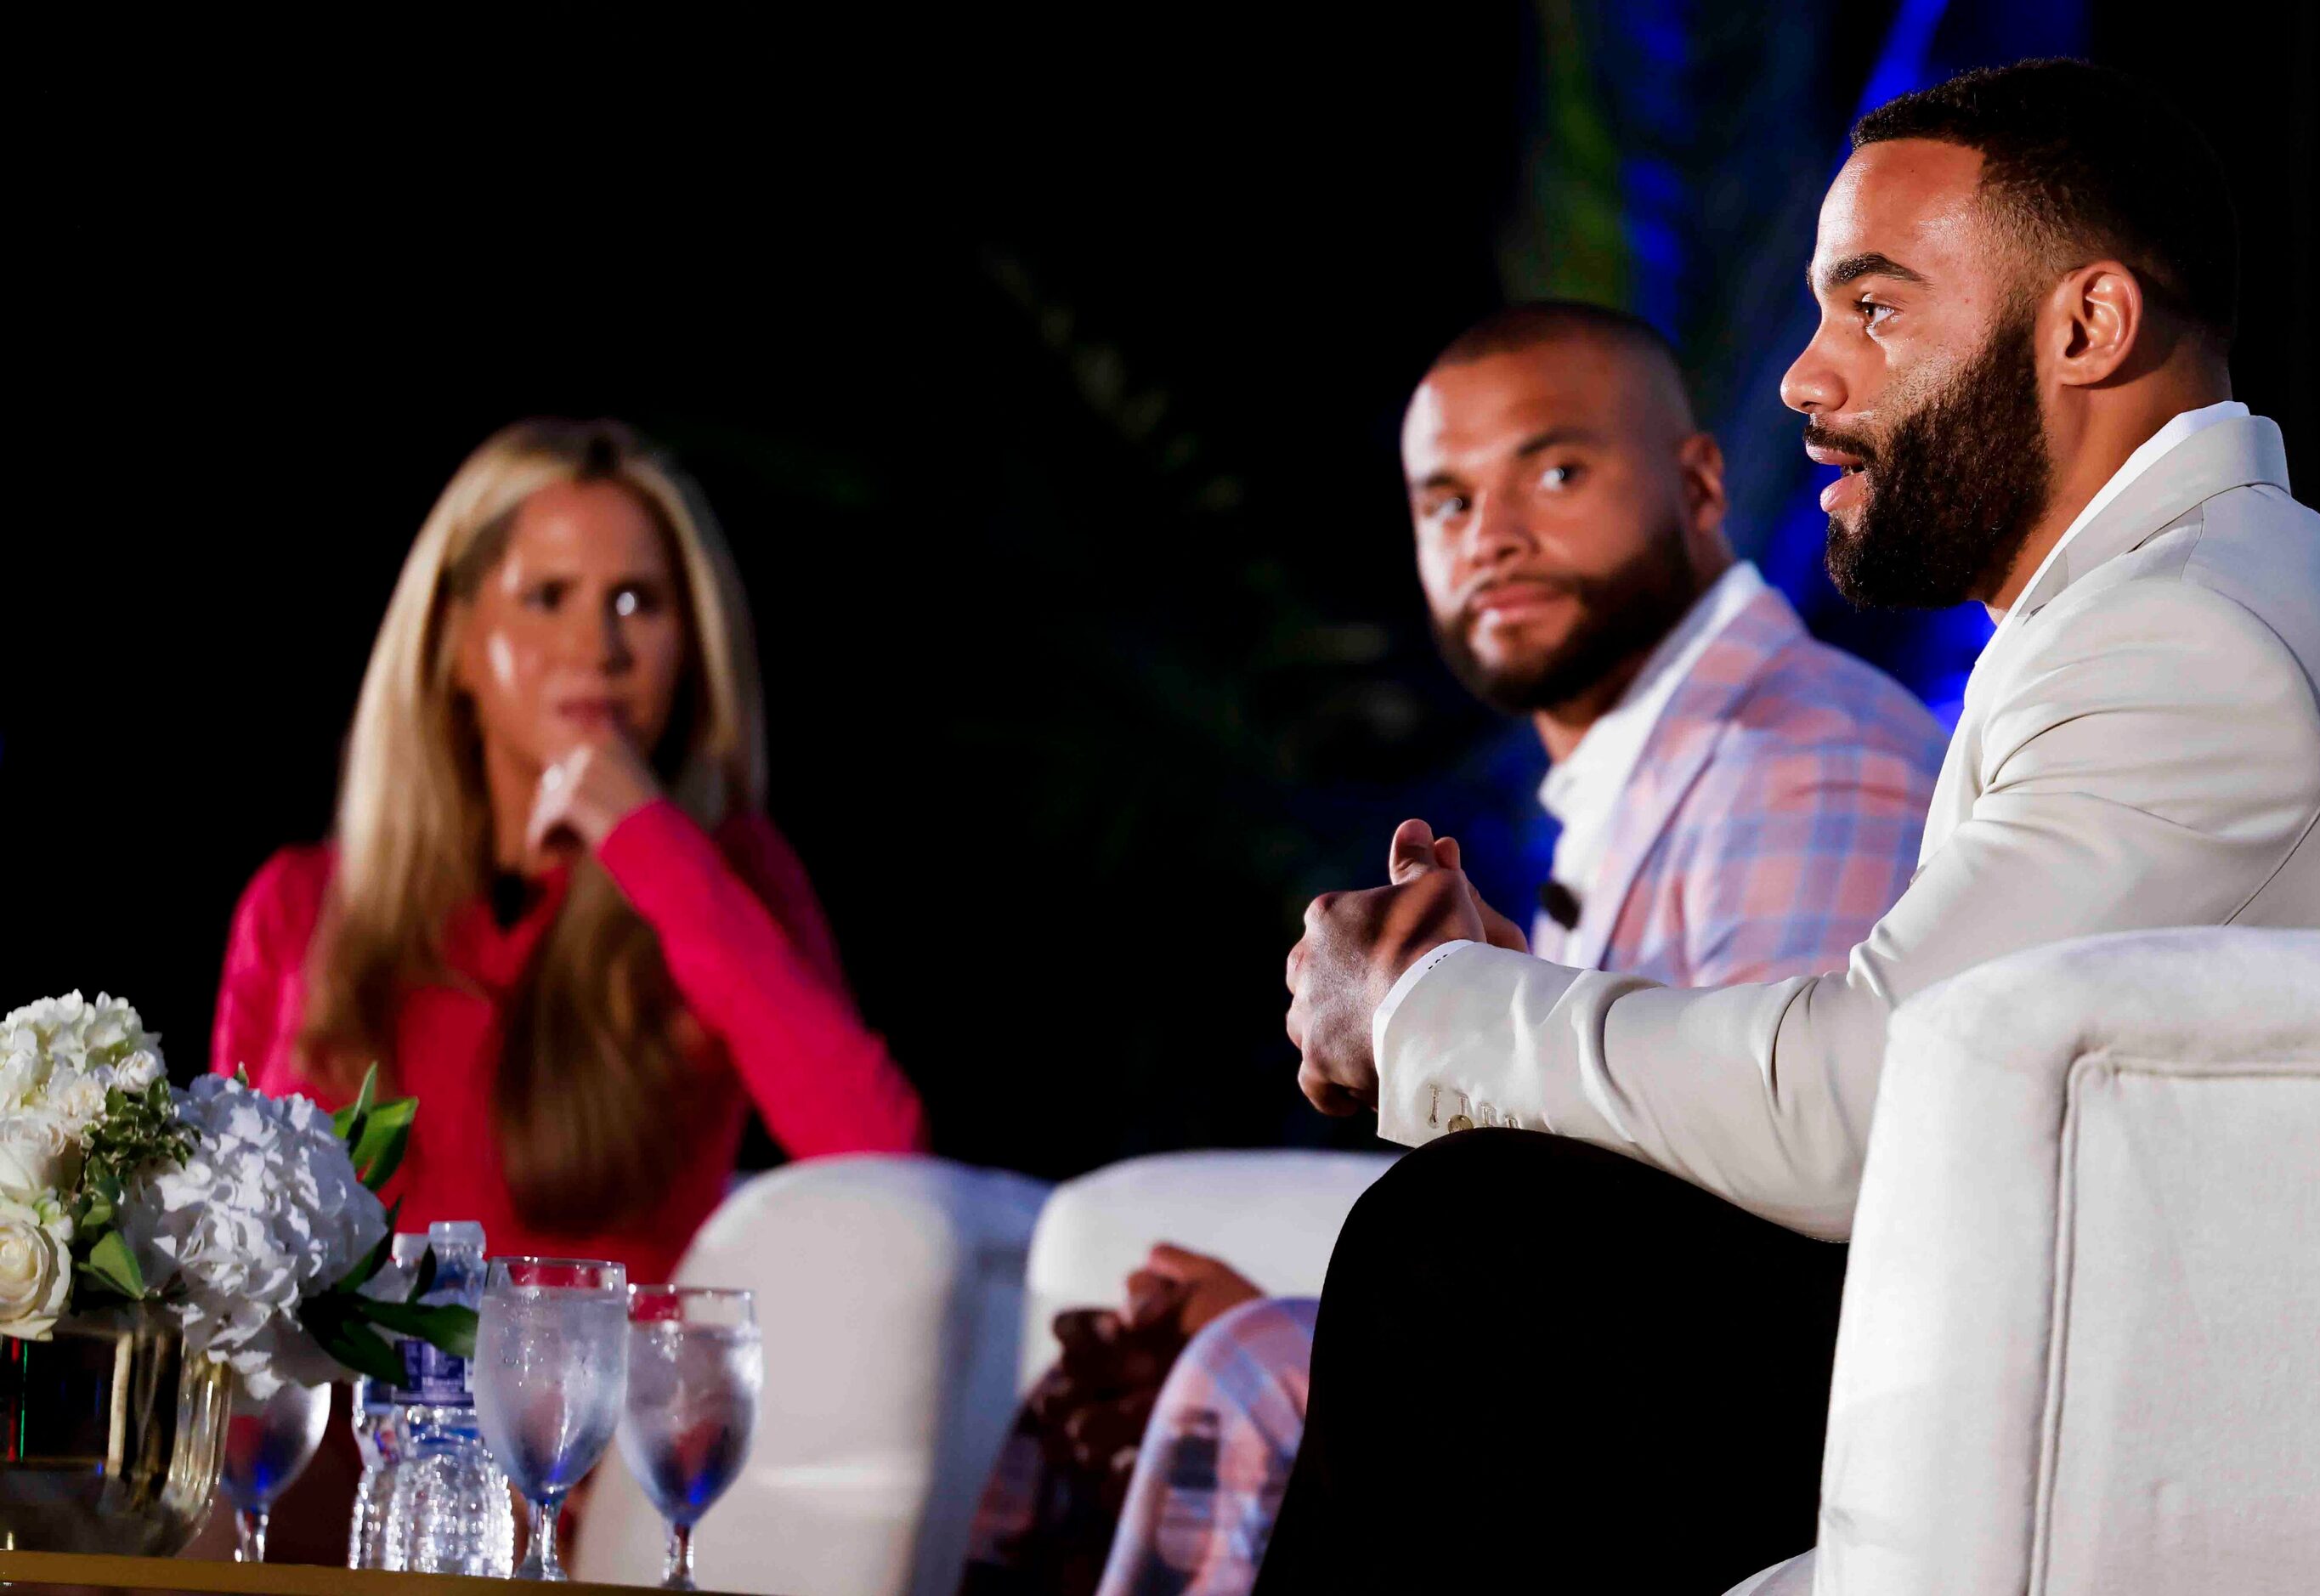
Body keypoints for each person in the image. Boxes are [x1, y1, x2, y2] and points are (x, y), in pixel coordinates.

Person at [1269, 60, 2320, 1592]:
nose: (1804, 378)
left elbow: (1871, 1109)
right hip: (2094, 1343)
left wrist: (1424, 1007)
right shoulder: (2191, 600)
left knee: (1481, 1246)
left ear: (2087, 327)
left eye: (1873, 308)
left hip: (2156, 1405)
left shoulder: (2189, 642)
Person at [964, 306, 1949, 1595]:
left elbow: (1753, 1271)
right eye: (1444, 498)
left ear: (1700, 484)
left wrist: (1304, 1345)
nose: (1489, 532)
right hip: (1654, 1388)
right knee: (1178, 1374)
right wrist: (1298, 1318)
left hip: (1788, 1438)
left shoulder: (1800, 756)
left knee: (1251, 1373)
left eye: (1555, 471)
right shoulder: (1655, 777)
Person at [211, 419, 925, 1288]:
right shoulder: (303, 901)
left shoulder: (725, 875)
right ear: (456, 641)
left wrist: (647, 842)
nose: (599, 650)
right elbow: (227, 1257)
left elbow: (881, 1161)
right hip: (350, 1424)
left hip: (603, 1421)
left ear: (691, 646)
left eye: (637, 603)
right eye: (548, 597)